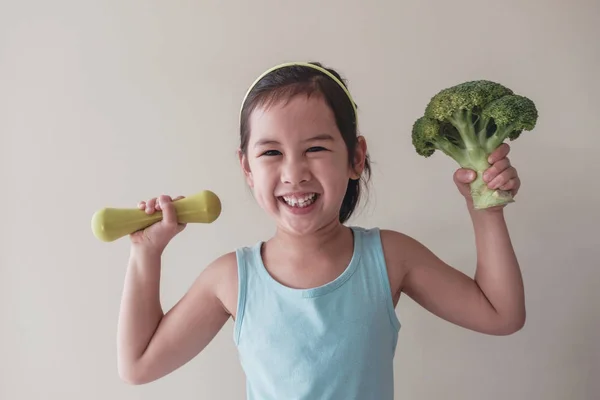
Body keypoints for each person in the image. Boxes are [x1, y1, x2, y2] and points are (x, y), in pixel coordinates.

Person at [116, 61, 526, 399]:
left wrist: (485, 210)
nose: (294, 173)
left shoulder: (389, 257)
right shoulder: (231, 279)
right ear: (247, 168)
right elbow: (138, 365)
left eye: (315, 148)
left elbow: (501, 314)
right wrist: (146, 254)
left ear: (356, 157)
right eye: (271, 152)